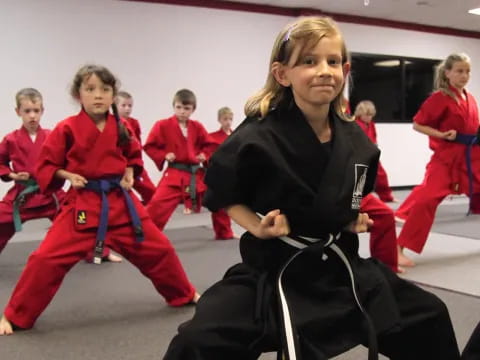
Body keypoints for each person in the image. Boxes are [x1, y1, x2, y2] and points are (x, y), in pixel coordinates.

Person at [163, 16, 460, 360]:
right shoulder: (258, 136)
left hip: (339, 268)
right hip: (275, 269)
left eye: (333, 61)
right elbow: (224, 192)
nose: (324, 70)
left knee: (430, 315)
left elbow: (349, 198)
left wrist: (350, 220)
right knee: (197, 340)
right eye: (309, 61)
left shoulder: (357, 142)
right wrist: (257, 226)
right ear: (282, 74)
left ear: (345, 70)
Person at [0, 65, 199, 335]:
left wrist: (129, 172)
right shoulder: (66, 128)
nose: (98, 96)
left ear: (112, 95)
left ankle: (183, 294)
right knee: (44, 259)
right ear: (78, 94)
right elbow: (47, 166)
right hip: (82, 206)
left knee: (160, 250)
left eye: (105, 90)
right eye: (90, 89)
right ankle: (16, 315)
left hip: (121, 203)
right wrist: (67, 173)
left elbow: (133, 155)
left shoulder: (122, 126)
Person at [396, 53, 480, 267]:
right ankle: (397, 248)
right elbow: (417, 124)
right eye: (460, 71)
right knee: (426, 199)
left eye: (467, 71)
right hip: (447, 158)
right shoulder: (440, 98)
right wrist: (441, 135)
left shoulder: (470, 98)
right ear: (448, 73)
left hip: (472, 156)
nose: (464, 75)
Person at [0, 88, 64, 255]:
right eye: (27, 111)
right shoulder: (11, 139)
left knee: (81, 217)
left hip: (50, 194)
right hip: (22, 196)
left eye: (36, 111)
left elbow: (65, 159)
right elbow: (0, 162)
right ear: (18, 112)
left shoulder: (52, 136)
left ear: (42, 111)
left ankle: (98, 252)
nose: (32, 115)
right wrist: (14, 175)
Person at [144, 89, 213, 230]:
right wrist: (164, 154)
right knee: (156, 206)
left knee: (219, 197)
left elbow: (210, 145)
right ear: (173, 106)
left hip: (195, 175)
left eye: (186, 108)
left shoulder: (197, 127)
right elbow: (150, 146)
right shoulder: (162, 125)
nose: (182, 111)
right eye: (179, 107)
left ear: (193, 109)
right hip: (175, 173)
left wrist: (204, 155)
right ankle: (147, 237)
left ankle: (224, 232)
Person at [116, 91, 156, 204]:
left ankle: (150, 213)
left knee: (152, 192)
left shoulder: (134, 123)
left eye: (130, 106)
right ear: (115, 106)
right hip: (119, 166)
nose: (127, 109)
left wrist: (138, 164)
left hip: (134, 165)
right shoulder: (112, 123)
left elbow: (137, 145)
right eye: (123, 105)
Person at [354, 100, 397, 202]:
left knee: (381, 175)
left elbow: (374, 138)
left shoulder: (371, 124)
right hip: (360, 155)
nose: (369, 117)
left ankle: (386, 197)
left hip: (371, 154)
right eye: (367, 115)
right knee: (359, 177)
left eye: (371, 115)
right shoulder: (356, 124)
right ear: (360, 114)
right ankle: (357, 198)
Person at [204, 106, 236, 239]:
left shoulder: (236, 135)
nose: (227, 122)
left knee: (231, 204)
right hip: (218, 173)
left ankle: (227, 231)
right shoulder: (212, 137)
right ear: (219, 120)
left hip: (233, 173)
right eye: (225, 119)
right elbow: (208, 155)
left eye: (230, 119)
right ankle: (221, 232)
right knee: (219, 204)